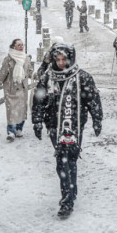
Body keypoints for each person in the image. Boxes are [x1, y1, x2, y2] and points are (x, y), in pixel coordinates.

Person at [32, 43, 103, 218]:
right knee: (63, 161)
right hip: (54, 126)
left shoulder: (82, 78)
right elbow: (38, 101)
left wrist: (97, 119)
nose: (61, 63)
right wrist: (37, 121)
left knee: (69, 160)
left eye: (64, 59)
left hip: (74, 125)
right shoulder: (48, 78)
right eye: (58, 59)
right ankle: (69, 196)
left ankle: (69, 195)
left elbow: (93, 99)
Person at [0, 38, 35, 141]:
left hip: (22, 90)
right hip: (11, 90)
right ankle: (11, 131)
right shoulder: (8, 59)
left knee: (21, 111)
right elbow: (1, 75)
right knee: (11, 112)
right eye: (18, 45)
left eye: (22, 45)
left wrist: (38, 76)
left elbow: (30, 72)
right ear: (13, 47)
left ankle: (19, 129)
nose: (21, 47)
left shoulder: (26, 58)